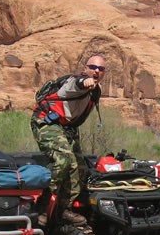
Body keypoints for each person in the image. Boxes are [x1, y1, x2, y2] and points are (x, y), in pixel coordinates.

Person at [31, 54, 105, 224]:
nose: (96, 71)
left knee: (80, 169)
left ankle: (64, 209)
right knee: (63, 160)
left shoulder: (97, 90)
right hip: (47, 122)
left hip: (68, 128)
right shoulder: (73, 83)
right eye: (93, 67)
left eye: (100, 69)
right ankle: (42, 204)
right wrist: (85, 82)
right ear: (85, 69)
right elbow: (78, 83)